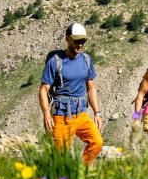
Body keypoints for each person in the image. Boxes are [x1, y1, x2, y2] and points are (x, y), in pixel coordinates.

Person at [39, 23, 104, 165]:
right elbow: (43, 89)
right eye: (76, 41)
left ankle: (81, 172)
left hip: (81, 114)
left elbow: (91, 88)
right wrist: (46, 114)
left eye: (83, 41)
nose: (80, 45)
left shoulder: (86, 60)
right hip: (61, 116)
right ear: (67, 39)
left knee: (97, 142)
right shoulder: (55, 62)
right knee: (60, 158)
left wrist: (97, 113)